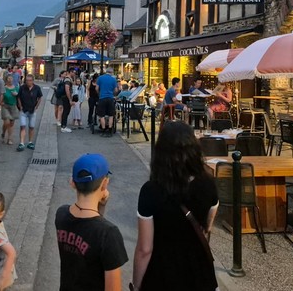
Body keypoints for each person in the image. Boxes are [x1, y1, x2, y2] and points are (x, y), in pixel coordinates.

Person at [132, 121, 219, 291]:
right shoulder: (208, 184)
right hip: (199, 274)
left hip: (161, 274)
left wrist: (136, 285)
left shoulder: (151, 191)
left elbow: (145, 249)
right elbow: (207, 227)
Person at [55, 153, 128, 291]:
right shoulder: (109, 234)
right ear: (105, 183)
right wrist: (102, 204)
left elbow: (90, 227)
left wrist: (101, 206)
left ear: (72, 183)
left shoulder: (61, 214)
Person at [16, 73, 43, 151]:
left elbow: (40, 97)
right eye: (27, 80)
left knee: (31, 127)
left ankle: (30, 142)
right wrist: (20, 106)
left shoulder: (37, 88)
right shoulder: (22, 88)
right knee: (23, 126)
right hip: (23, 110)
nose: (28, 82)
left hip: (32, 110)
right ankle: (21, 143)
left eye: (30, 80)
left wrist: (37, 106)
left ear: (33, 81)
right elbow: (18, 97)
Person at [96, 71, 118, 137]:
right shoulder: (113, 79)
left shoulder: (100, 78)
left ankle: (103, 129)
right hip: (110, 98)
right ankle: (110, 129)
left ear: (106, 72)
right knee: (111, 115)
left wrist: (99, 94)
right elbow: (116, 90)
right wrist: (112, 93)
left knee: (101, 115)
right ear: (111, 72)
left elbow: (96, 88)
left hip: (102, 98)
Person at [1, 75, 19, 146]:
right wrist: (1, 102)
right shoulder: (4, 88)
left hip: (13, 106)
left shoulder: (16, 88)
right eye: (8, 78)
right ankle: (4, 132)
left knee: (11, 123)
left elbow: (19, 97)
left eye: (11, 78)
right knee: (7, 122)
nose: (10, 80)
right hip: (5, 106)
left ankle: (9, 138)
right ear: (6, 80)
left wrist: (16, 95)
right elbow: (1, 95)